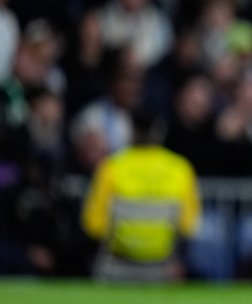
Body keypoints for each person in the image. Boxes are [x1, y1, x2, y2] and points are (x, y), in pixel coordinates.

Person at [81, 111, 201, 281]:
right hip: (161, 268)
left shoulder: (111, 167)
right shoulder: (180, 169)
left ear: (131, 133)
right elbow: (189, 226)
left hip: (116, 267)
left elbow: (94, 227)